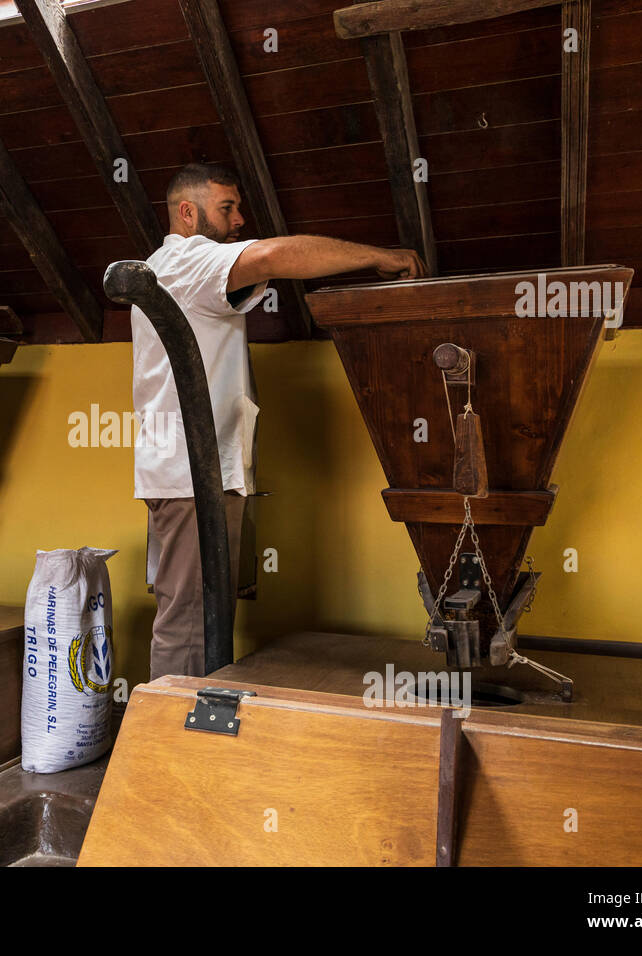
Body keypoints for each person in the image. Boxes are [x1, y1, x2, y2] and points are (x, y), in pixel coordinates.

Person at [132, 162, 426, 680]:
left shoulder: (174, 268)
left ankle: (189, 730)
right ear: (187, 212)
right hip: (191, 475)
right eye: (227, 208)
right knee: (189, 620)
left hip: (191, 471)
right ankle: (169, 742)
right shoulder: (185, 259)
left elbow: (262, 262)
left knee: (203, 612)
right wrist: (382, 257)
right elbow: (275, 254)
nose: (240, 218)